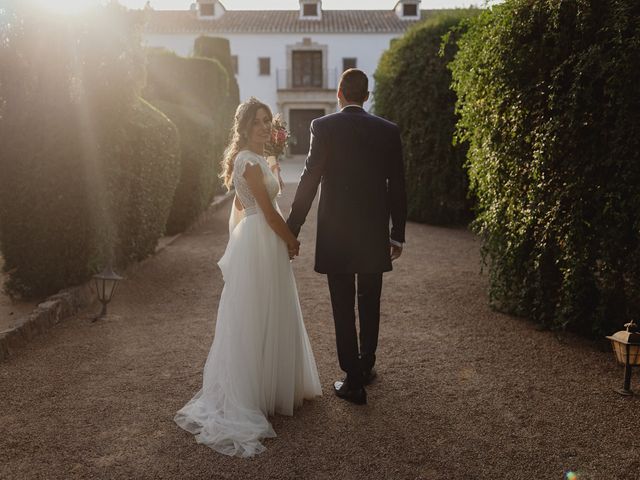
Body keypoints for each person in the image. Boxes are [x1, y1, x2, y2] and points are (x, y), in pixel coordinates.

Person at [174, 97, 322, 457]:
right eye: (257, 121)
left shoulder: (253, 160)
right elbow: (269, 214)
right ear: (244, 127)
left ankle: (271, 387)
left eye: (266, 121)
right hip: (262, 240)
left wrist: (265, 180)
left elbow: (242, 205)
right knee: (256, 313)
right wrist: (291, 239)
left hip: (259, 240)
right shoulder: (247, 160)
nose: (263, 126)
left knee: (271, 308)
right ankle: (252, 394)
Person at [287, 69, 407, 405]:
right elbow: (397, 184)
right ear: (366, 96)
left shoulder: (323, 127)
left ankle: (352, 380)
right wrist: (396, 234)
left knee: (342, 304)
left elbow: (310, 179)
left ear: (340, 93)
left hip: (336, 232)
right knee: (370, 300)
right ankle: (366, 365)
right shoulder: (388, 130)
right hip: (372, 232)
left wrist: (291, 227)